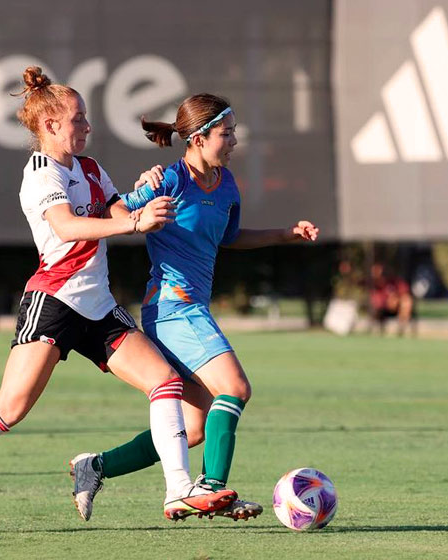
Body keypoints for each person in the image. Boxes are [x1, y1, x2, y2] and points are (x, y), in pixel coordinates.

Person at [0, 68, 237, 535]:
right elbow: (68, 227)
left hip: (98, 306)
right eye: (79, 119)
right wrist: (132, 224)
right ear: (51, 125)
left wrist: (145, 204)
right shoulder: (40, 174)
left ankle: (178, 488)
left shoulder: (91, 168)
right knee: (9, 409)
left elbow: (118, 211)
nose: (87, 126)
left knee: (165, 382)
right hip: (53, 301)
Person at [68, 93, 319, 522]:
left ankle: (94, 467)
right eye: (227, 132)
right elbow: (110, 213)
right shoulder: (170, 179)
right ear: (199, 138)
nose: (236, 140)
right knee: (235, 388)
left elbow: (229, 237)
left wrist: (286, 234)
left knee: (196, 427)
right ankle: (209, 489)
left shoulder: (226, 184)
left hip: (190, 308)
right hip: (171, 307)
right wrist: (139, 196)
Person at [368, 263, 414, 336]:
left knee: (406, 300)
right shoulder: (376, 286)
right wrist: (388, 301)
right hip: (383, 310)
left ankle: (402, 328)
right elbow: (377, 302)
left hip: (396, 308)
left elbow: (405, 292)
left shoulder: (394, 282)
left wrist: (396, 298)